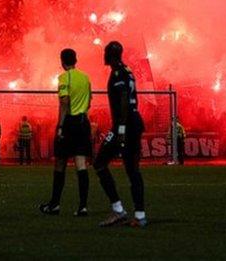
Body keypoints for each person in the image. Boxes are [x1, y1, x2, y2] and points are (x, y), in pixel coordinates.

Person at [93, 41, 147, 228]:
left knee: (99, 163)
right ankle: (139, 216)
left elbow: (124, 100)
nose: (104, 55)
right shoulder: (127, 70)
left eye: (105, 52)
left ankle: (119, 211)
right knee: (132, 170)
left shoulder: (118, 73)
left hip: (125, 125)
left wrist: (121, 129)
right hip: (133, 123)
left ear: (110, 54)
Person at [39, 48, 93, 216]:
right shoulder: (85, 77)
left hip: (69, 122)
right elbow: (89, 101)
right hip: (83, 121)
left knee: (60, 162)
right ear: (76, 60)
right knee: (81, 164)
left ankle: (55, 204)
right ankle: (83, 206)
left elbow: (64, 102)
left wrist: (60, 126)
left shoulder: (64, 77)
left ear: (62, 61)